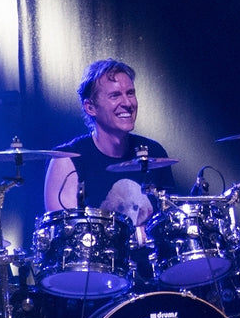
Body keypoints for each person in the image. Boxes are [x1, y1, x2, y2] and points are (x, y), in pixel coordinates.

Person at [44, 59, 176, 239]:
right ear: (90, 107)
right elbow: (67, 237)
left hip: (151, 258)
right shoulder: (67, 159)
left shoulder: (154, 152)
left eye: (130, 93)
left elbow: (171, 223)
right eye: (115, 96)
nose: (127, 103)